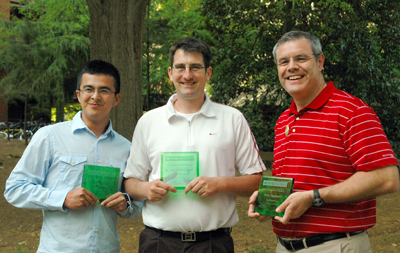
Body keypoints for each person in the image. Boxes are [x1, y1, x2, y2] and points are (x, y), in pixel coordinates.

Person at [248, 30, 400, 253]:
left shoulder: (351, 111)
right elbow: (298, 181)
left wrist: (314, 198)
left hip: (335, 245)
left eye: (301, 58)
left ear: (320, 62)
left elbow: (387, 179)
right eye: (283, 61)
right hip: (285, 246)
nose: (291, 67)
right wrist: (268, 202)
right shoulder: (284, 120)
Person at [123, 37, 266, 253]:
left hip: (213, 243)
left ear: (208, 73)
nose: (187, 75)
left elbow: (257, 180)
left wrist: (220, 184)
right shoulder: (148, 122)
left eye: (195, 67)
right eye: (180, 67)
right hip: (158, 242)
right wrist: (145, 188)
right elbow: (130, 182)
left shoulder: (232, 118)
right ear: (170, 73)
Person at [4, 60, 143, 252]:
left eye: (104, 90)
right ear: (79, 95)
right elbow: (15, 189)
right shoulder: (50, 137)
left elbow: (136, 205)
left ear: (116, 99)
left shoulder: (126, 147)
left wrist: (125, 204)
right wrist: (63, 198)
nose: (95, 96)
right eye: (89, 89)